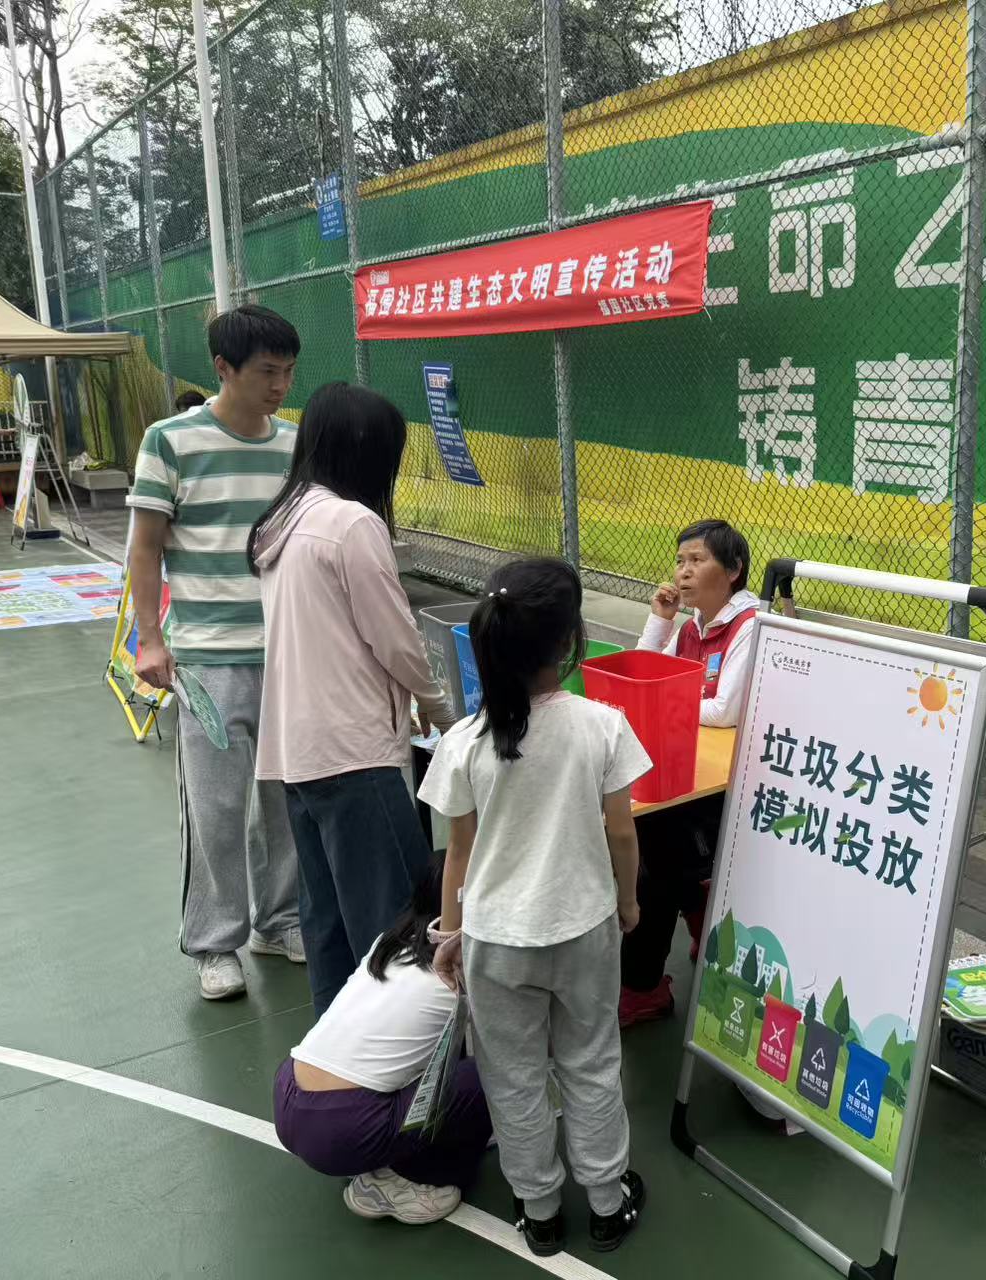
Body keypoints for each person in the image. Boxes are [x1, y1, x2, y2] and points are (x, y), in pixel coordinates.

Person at [421, 558, 650, 1257]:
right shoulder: (602, 726)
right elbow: (621, 833)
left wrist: (449, 933)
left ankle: (540, 1210)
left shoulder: (464, 741)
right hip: (583, 927)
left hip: (494, 940)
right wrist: (628, 901)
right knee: (591, 1061)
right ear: (570, 640)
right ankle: (607, 1201)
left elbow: (457, 853)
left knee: (512, 1076)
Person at [251, 382, 458, 1016]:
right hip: (354, 753)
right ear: (366, 453)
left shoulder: (284, 518)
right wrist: (439, 706)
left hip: (297, 754)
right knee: (392, 918)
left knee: (328, 920)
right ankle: (394, 1051)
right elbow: (393, 635)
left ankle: (334, 1045)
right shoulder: (351, 522)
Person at [127, 305, 305, 1001]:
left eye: (288, 372)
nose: (280, 386)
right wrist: (150, 638)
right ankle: (214, 943)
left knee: (285, 802)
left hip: (288, 658)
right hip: (206, 660)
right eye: (267, 372)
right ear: (223, 368)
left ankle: (279, 921)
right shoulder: (169, 441)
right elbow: (145, 548)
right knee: (215, 808)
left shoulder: (295, 445)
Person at [273, 855, 492, 1225]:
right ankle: (401, 1178)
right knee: (492, 1078)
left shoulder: (388, 946)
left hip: (289, 1091)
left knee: (439, 1062)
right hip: (342, 1127)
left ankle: (381, 1151)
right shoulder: (457, 974)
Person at [618, 519, 760, 1026]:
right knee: (651, 834)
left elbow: (725, 711)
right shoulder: (690, 629)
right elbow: (639, 679)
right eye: (680, 561)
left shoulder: (751, 626)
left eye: (697, 560)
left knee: (657, 852)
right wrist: (660, 621)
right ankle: (699, 914)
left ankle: (642, 987)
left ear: (734, 569)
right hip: (692, 770)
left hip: (737, 782)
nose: (683, 571)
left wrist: (666, 699)